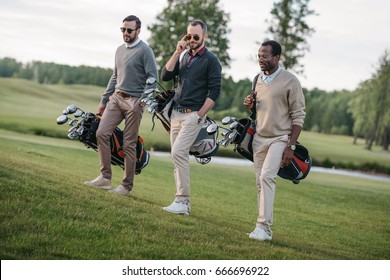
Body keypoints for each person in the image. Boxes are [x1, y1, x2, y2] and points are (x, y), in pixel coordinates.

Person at [84, 15, 158, 195]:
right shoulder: (119, 50)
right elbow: (115, 76)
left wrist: (141, 99)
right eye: (123, 29)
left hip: (134, 101)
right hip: (116, 99)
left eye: (129, 30)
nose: (125, 33)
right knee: (101, 133)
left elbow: (153, 77)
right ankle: (105, 178)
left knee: (129, 144)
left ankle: (126, 186)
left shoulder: (144, 51)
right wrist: (103, 101)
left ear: (138, 31)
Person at [243, 40, 306, 241]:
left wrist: (291, 146)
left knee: (267, 177)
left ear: (276, 58)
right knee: (260, 182)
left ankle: (264, 227)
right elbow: (259, 110)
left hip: (280, 139)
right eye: (259, 55)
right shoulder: (257, 79)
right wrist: (250, 105)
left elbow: (298, 115)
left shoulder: (291, 81)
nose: (261, 59)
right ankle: (262, 229)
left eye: (265, 56)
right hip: (259, 138)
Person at [160, 19, 222, 216]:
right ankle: (182, 203)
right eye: (189, 36)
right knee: (177, 156)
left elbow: (214, 92)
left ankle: (182, 201)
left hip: (193, 116)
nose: (192, 40)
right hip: (176, 114)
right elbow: (165, 76)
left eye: (196, 36)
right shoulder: (184, 56)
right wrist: (177, 51)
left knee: (178, 152)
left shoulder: (211, 60)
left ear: (205, 37)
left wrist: (199, 115)